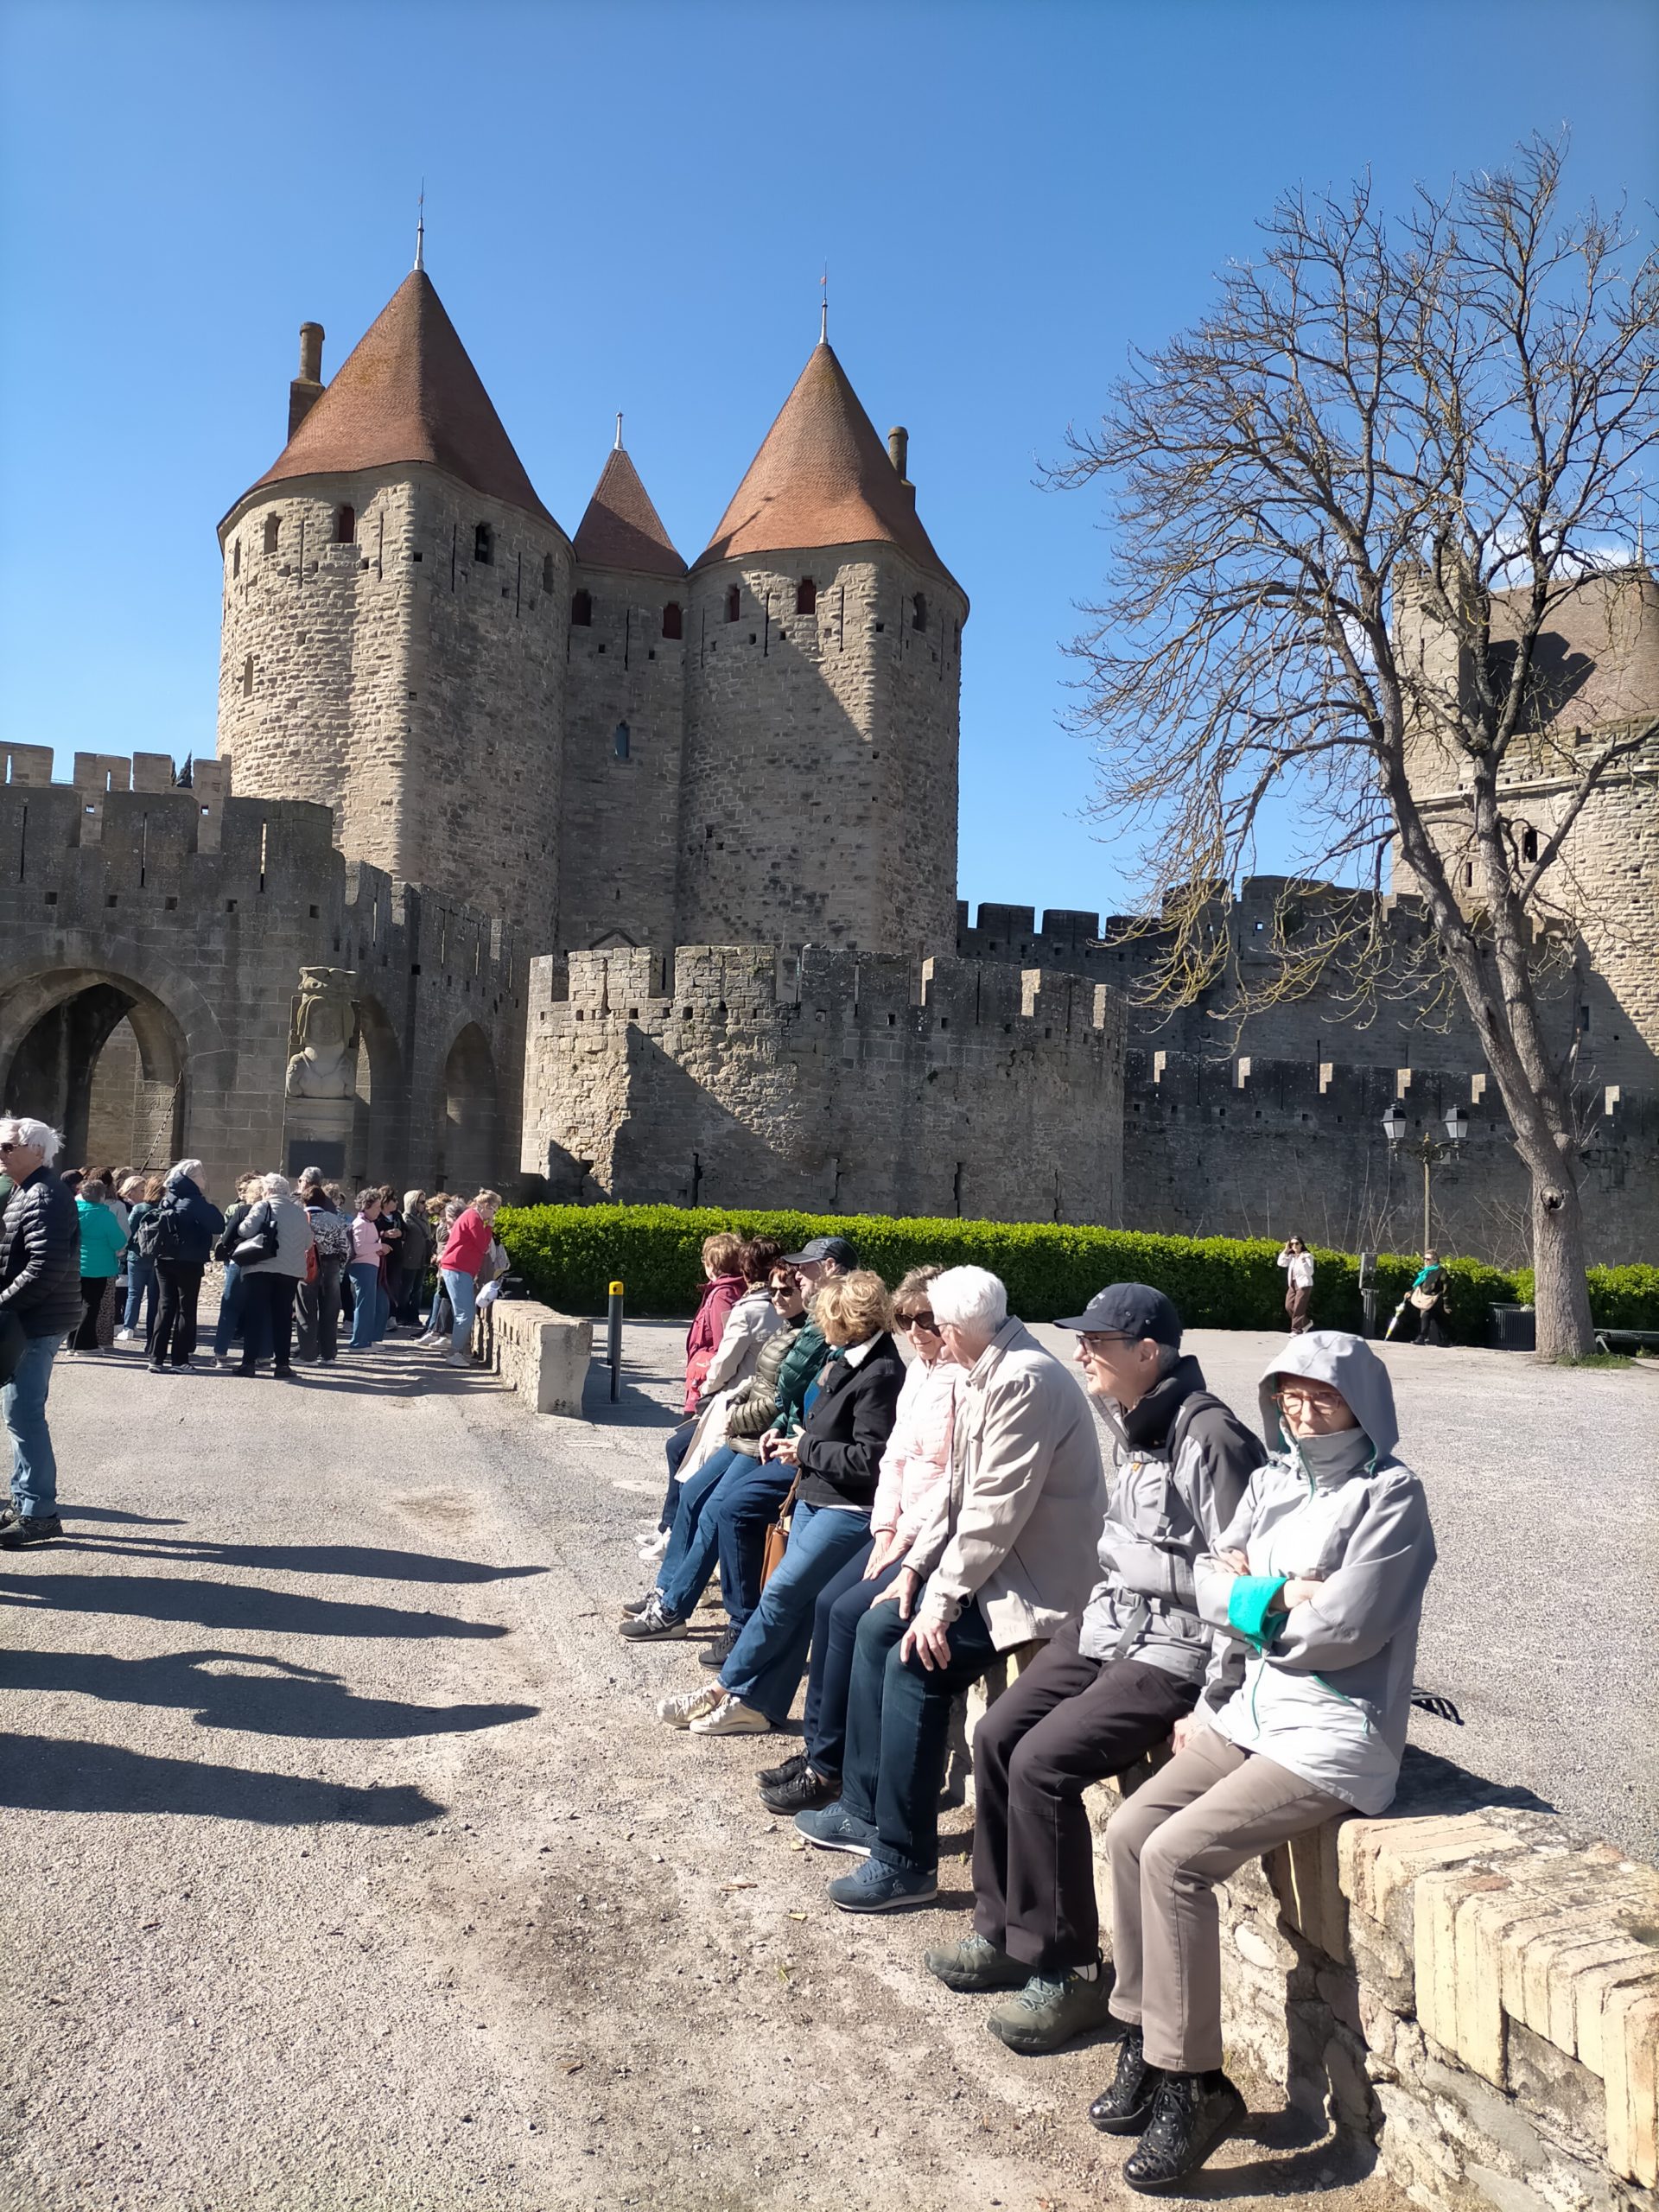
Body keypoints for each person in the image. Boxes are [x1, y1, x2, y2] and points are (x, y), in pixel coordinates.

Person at [1094, 1331, 1436, 2191]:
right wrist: (1281, 1593)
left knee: (1176, 1857)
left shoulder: (1391, 1496)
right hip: (1247, 1711)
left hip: (1332, 1734)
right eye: (1291, 1393)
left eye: (1324, 1396)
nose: (1303, 1410)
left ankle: (1195, 2084)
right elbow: (1210, 1583)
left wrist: (1249, 1598)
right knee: (1131, 1831)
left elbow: (1346, 1631)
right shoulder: (1274, 1481)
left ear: (1363, 1404)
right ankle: (1145, 2034)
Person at [925, 1284, 1263, 2052]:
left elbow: (1244, 1581)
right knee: (998, 1735)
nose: (1080, 1354)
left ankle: (1070, 1970)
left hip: (1174, 1650)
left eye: (1096, 1343)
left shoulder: (1208, 1436)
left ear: (1147, 1352)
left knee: (1043, 1763)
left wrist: (1215, 1698)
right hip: (1108, 1628)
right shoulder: (1131, 1420)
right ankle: (1007, 1934)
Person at [796, 1265, 1106, 1915]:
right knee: (877, 1624)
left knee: (913, 1658)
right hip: (996, 1569)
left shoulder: (1023, 1380)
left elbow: (993, 1512)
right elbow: (955, 1491)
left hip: (1031, 1583)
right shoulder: (983, 1369)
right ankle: (863, 1809)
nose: (925, 1334)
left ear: (960, 1327)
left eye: (935, 1324)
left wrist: (937, 1603)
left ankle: (905, 1860)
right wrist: (912, 1568)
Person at [657, 1268, 903, 1738]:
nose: (819, 1326)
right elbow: (821, 1421)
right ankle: (759, 1706)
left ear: (847, 1320)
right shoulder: (849, 1357)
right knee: (796, 1604)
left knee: (781, 1594)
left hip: (848, 1506)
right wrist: (792, 1436)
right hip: (817, 1491)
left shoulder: (881, 1373)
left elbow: (869, 1459)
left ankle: (723, 1690)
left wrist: (805, 1448)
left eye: (826, 1318)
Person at [759, 1266, 963, 1815]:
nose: (917, 1331)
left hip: (930, 1538)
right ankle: (819, 1753)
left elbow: (949, 1482)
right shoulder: (921, 1373)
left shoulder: (956, 1381)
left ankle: (832, 1769)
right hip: (895, 1528)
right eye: (907, 1319)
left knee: (849, 1615)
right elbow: (894, 1460)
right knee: (828, 1604)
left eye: (928, 1320)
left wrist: (903, 1540)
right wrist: (886, 1529)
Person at [622, 1257, 807, 1649]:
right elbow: (760, 1380)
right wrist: (735, 1404)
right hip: (745, 1432)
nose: (776, 1297)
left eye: (786, 1290)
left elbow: (782, 1399)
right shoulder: (786, 1327)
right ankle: (666, 1589)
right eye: (772, 1289)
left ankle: (673, 1608)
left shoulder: (804, 1335)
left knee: (715, 1510)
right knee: (691, 1492)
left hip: (759, 1440)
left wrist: (734, 1415)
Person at [645, 1232, 752, 1560]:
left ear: (712, 1264)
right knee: (683, 1453)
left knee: (683, 1454)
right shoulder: (727, 1291)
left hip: (705, 1389)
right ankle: (668, 1527)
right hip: (704, 1386)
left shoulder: (722, 1295)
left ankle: (672, 1531)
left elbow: (724, 1348)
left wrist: (706, 1384)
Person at [0, 1117, 80, 1546]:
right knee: (19, 1414)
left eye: (7, 1147)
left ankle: (38, 1513)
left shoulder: (44, 1193)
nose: (0, 1155)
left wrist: (2, 1302)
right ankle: (25, 1503)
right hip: (31, 1317)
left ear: (36, 1150)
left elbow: (44, 1267)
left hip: (35, 1320)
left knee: (24, 1414)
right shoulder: (26, 1190)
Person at [145, 1159, 225, 1372]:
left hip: (164, 1258)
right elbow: (218, 1225)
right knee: (185, 1309)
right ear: (192, 1178)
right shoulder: (195, 1201)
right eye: (202, 1175)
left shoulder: (168, 1197)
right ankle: (180, 1360)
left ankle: (156, 1357)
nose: (205, 1178)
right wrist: (208, 1204)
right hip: (188, 1260)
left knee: (165, 1307)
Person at [232, 1173, 315, 1379]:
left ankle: (248, 1363)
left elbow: (245, 1230)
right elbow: (308, 1243)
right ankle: (282, 1365)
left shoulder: (263, 1206)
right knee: (283, 1318)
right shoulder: (299, 1212)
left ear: (268, 1190)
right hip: (290, 1271)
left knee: (255, 1315)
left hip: (262, 1267)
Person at [433, 1190, 501, 1368]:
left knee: (463, 1313)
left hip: (458, 1269)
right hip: (458, 1269)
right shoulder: (474, 1217)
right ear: (486, 1206)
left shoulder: (471, 1216)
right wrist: (489, 1226)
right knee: (465, 1314)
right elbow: (483, 1245)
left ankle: (460, 1352)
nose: (493, 1214)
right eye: (494, 1210)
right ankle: (455, 1353)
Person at [294, 1170, 352, 1363]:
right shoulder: (335, 1219)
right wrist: (339, 1265)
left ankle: (308, 1355)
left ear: (304, 1200)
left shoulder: (300, 1219)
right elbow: (345, 1247)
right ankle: (329, 1355)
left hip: (306, 1266)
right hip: (332, 1264)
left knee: (306, 1309)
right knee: (330, 1310)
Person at [210, 1173, 264, 1367]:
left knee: (230, 1307)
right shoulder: (271, 1212)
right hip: (264, 1264)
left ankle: (220, 1354)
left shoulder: (243, 1211)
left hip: (239, 1261)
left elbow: (226, 1238)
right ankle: (264, 1356)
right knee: (261, 1310)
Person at [67, 1178, 126, 1353]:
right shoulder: (106, 1217)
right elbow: (118, 1242)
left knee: (76, 1305)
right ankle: (84, 1345)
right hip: (99, 1267)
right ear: (102, 1196)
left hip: (75, 1265)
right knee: (91, 1305)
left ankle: (71, 1344)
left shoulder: (72, 1213)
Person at [116, 1174, 162, 1346]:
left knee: (134, 1293)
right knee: (154, 1295)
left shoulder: (140, 1208)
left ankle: (129, 1327)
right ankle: (153, 1327)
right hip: (157, 1256)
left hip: (136, 1255)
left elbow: (128, 1231)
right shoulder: (164, 1209)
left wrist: (123, 1250)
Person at [346, 1190, 391, 1352]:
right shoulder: (360, 1223)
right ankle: (359, 1343)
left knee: (371, 1305)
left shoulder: (367, 1223)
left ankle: (366, 1340)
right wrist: (380, 1246)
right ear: (366, 1206)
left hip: (369, 1266)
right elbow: (359, 1249)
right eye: (376, 1207)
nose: (379, 1210)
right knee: (365, 1306)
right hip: (362, 1267)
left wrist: (378, 1248)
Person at [391, 1189, 430, 1328]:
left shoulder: (424, 1219)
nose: (424, 1205)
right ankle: (401, 1315)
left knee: (418, 1289)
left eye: (424, 1201)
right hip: (409, 1258)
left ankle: (414, 1315)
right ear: (412, 1202)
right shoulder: (406, 1219)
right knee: (406, 1288)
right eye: (421, 1202)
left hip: (422, 1259)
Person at [1408, 1250, 1451, 1347]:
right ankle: (1446, 1339)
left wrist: (1446, 1303)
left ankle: (1421, 1338)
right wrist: (1411, 1292)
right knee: (1439, 1318)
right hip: (1426, 1299)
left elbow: (1446, 1287)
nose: (1425, 1261)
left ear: (1435, 1260)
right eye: (1424, 1259)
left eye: (1428, 1259)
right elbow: (1419, 1285)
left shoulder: (1441, 1271)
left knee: (1426, 1315)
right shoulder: (1425, 1272)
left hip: (1436, 1299)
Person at [1276, 1237, 1314, 1334]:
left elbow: (1310, 1272)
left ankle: (1296, 1330)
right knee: (1289, 1306)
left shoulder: (1307, 1256)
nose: (1294, 1246)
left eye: (1297, 1243)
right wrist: (1285, 1250)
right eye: (1292, 1244)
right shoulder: (1291, 1257)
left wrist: (1303, 1261)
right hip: (1293, 1284)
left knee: (1298, 1308)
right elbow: (1281, 1263)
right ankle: (1306, 1323)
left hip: (1304, 1285)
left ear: (1301, 1244)